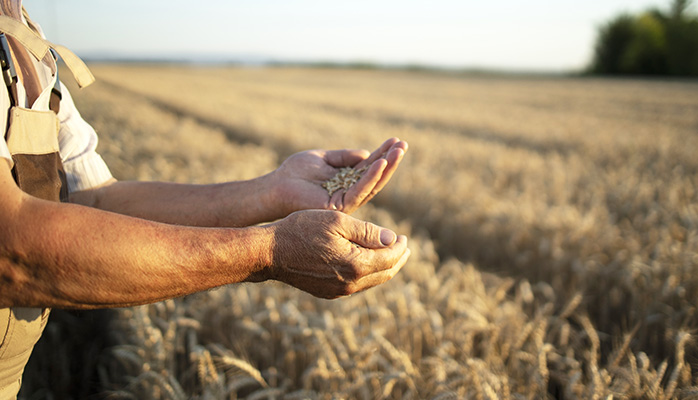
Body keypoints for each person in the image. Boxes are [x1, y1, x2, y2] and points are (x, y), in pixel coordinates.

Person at [0, 2, 410, 398]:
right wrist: (270, 250)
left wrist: (273, 190)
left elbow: (91, 200)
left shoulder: (29, 42)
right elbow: (10, 246)